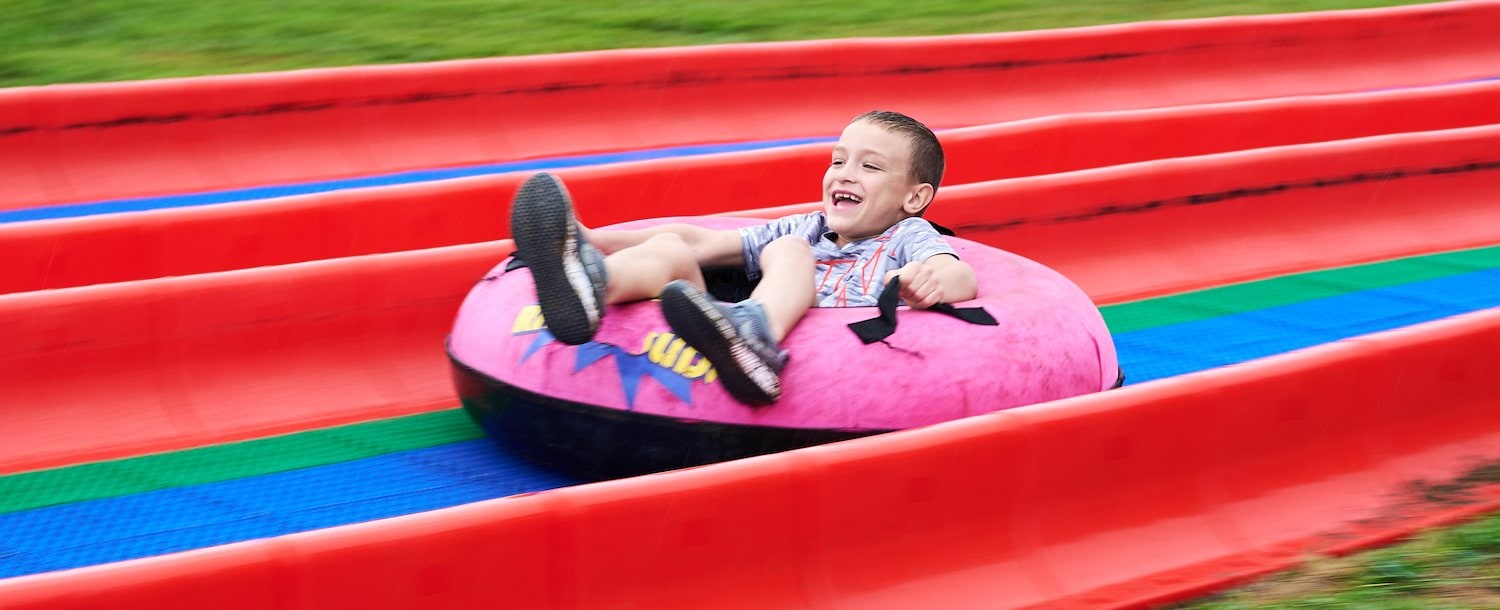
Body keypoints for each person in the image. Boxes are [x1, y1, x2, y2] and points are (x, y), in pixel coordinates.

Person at [510, 110, 977, 406]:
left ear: (914, 198)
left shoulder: (908, 236)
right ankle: (591, 285)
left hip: (802, 345)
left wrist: (930, 280)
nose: (845, 175)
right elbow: (698, 243)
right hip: (718, 329)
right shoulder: (808, 225)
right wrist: (595, 239)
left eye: (869, 167)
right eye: (838, 161)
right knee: (673, 250)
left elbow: (958, 273)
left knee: (788, 250)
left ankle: (758, 339)